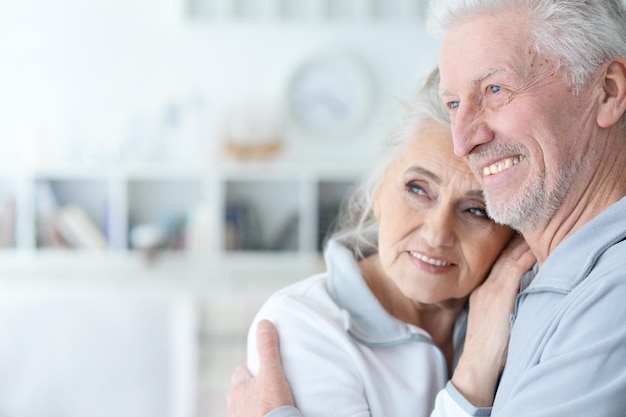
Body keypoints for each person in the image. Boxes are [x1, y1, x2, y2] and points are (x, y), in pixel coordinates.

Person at [228, 0, 626, 416]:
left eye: (495, 89)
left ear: (608, 91)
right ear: (378, 188)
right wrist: (471, 378)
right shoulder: (304, 325)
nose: (463, 141)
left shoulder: (579, 291)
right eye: (454, 103)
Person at [227, 67, 535, 417]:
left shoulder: (521, 307)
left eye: (477, 210)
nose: (437, 234)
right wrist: (475, 371)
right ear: (378, 192)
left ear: (512, 230)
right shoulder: (304, 324)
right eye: (417, 189)